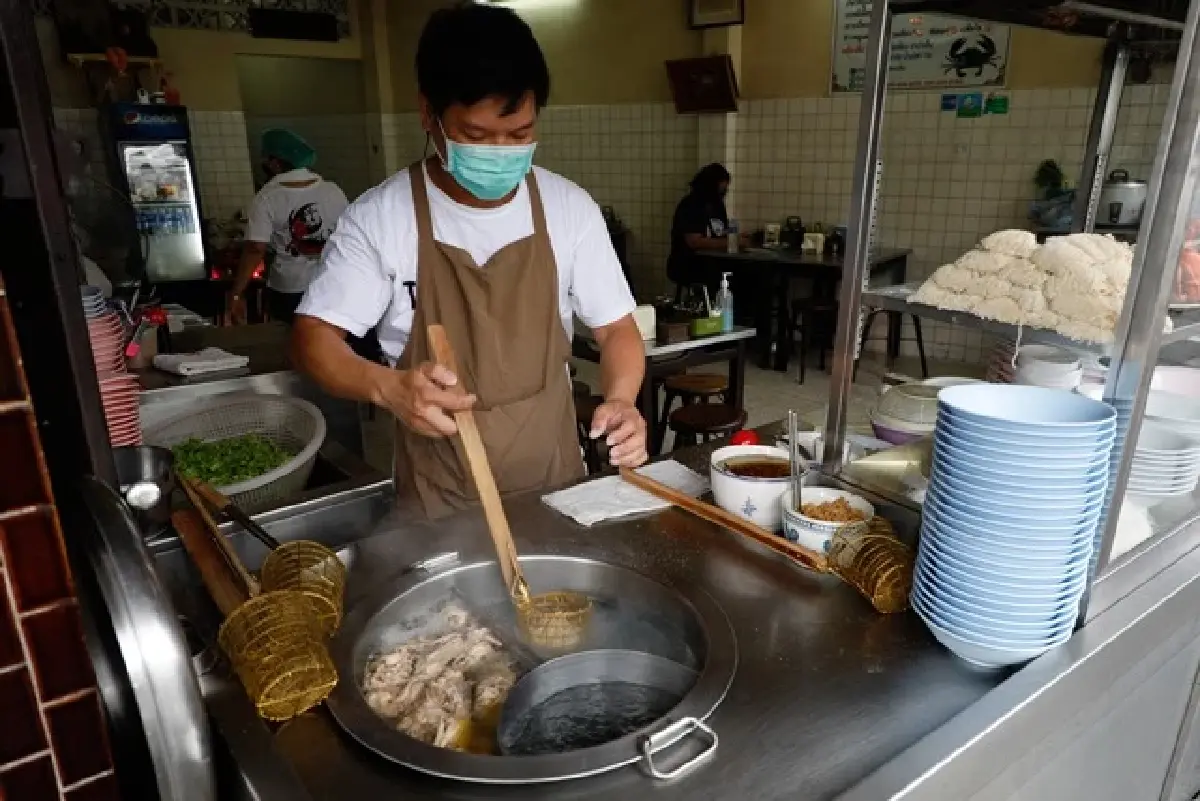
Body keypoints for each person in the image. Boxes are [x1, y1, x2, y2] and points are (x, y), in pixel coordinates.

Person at [291, 2, 648, 519]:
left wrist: (622, 398)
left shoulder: (568, 208)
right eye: (477, 136)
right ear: (427, 114)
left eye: (520, 134)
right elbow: (312, 340)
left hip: (556, 487)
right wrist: (388, 388)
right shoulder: (381, 217)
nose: (501, 150)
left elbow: (617, 329)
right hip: (440, 499)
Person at [230, 128, 349, 325]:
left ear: (275, 162)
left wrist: (236, 293)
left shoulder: (267, 197)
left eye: (266, 160)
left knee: (293, 344)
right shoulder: (333, 190)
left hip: (290, 290)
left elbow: (255, 249)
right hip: (331, 283)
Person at [666, 163, 736, 300]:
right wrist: (730, 242)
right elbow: (694, 241)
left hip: (712, 261)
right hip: (689, 263)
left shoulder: (717, 205)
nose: (724, 191)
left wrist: (736, 236)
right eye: (722, 187)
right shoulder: (691, 205)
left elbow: (721, 232)